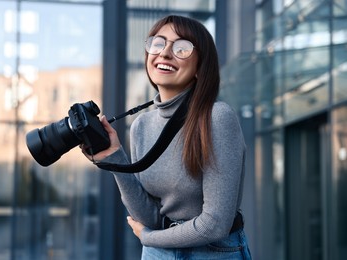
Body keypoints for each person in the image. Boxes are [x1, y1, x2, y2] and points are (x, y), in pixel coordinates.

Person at [80, 15, 251, 259]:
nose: (165, 53)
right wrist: (115, 158)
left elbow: (215, 224)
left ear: (201, 67)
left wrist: (149, 238)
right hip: (157, 253)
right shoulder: (141, 125)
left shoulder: (216, 117)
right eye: (158, 44)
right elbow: (149, 217)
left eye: (182, 48)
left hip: (212, 252)